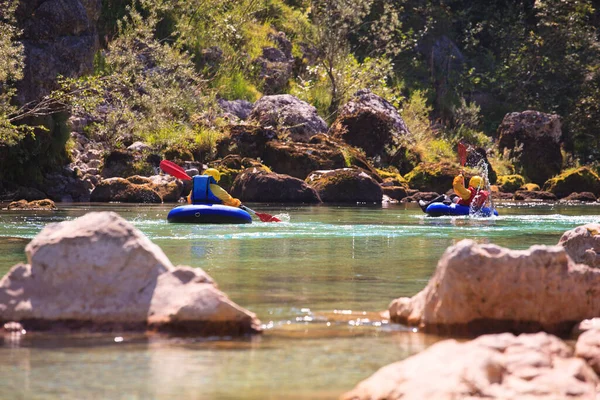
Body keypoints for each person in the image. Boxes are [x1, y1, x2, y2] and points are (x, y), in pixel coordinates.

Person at [419, 174, 489, 211]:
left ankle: (425, 206)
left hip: (464, 205)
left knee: (444, 196)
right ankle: (448, 200)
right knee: (453, 196)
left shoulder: (468, 193)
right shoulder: (484, 194)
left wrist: (459, 178)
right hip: (469, 205)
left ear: (471, 183)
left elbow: (457, 186)